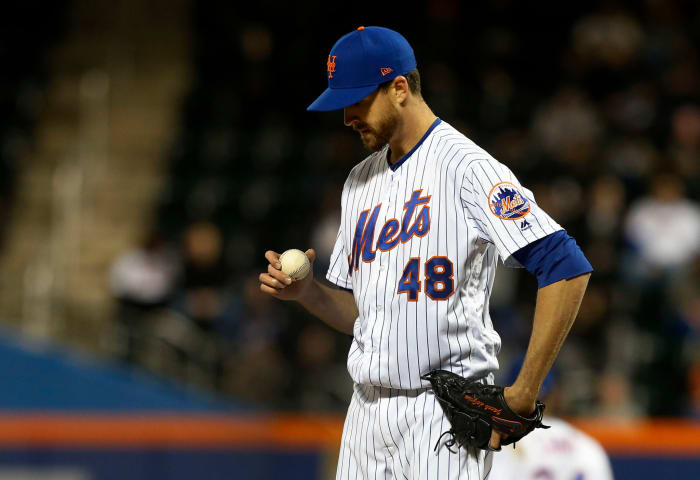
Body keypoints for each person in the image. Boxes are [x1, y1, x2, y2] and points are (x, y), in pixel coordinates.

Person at [259, 26, 592, 480]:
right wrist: (306, 293)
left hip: (443, 415)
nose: (346, 117)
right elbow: (366, 315)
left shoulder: (468, 168)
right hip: (365, 415)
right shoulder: (358, 181)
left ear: (399, 88)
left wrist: (524, 389)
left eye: (356, 101)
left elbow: (565, 265)